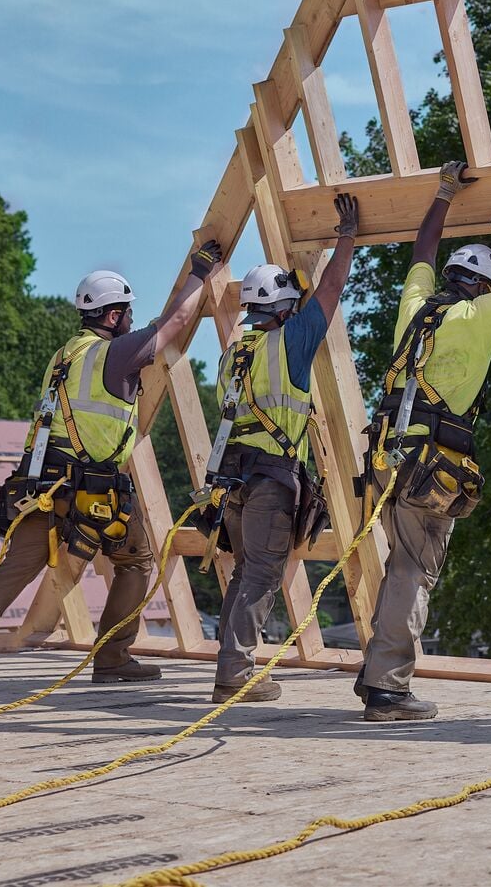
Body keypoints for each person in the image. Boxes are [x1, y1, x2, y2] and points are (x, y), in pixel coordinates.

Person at [0, 240, 225, 687]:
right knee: (137, 560)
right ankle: (113, 657)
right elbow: (176, 321)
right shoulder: (114, 354)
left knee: (14, 568)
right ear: (111, 316)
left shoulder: (66, 353)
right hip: (92, 487)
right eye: (126, 312)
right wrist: (201, 271)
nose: (131, 320)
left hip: (41, 482)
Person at [354, 161, 491, 721]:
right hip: (428, 466)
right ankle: (389, 689)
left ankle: (377, 679)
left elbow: (423, 248)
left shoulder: (416, 310)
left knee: (399, 568)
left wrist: (443, 193)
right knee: (415, 574)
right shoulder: (479, 314)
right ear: (484, 286)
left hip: (388, 457)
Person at [207, 194, 359, 704]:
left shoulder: (236, 351)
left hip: (233, 481)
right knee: (263, 574)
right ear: (285, 305)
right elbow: (333, 288)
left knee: (246, 570)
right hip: (271, 479)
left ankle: (231, 664)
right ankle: (236, 674)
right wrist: (347, 237)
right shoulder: (291, 341)